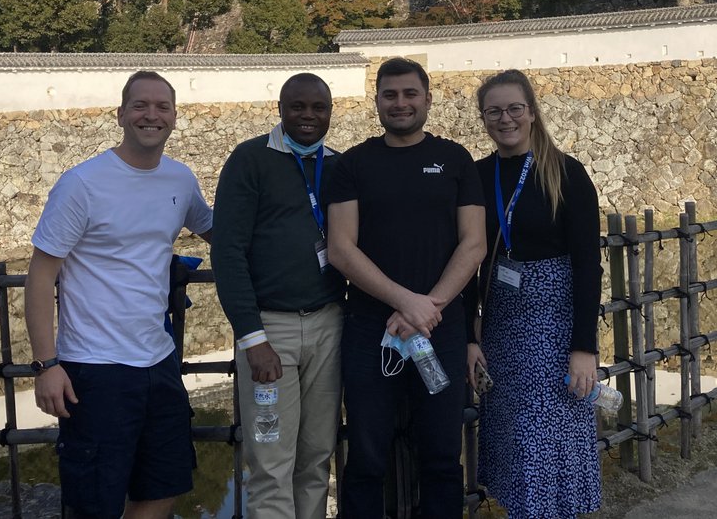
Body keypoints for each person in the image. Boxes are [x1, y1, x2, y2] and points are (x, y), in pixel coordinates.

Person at [24, 71, 214, 519]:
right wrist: (46, 365)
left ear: (174, 117)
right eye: (140, 106)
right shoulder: (83, 184)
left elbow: (217, 232)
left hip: (157, 358)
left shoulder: (179, 180)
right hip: (95, 366)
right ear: (121, 115)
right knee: (95, 499)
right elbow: (40, 276)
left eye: (162, 107)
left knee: (165, 485)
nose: (151, 115)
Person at [328, 56, 486, 519]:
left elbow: (473, 243)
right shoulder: (352, 164)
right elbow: (341, 249)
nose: (400, 103)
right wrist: (404, 302)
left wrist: (427, 307)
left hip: (442, 326)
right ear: (375, 100)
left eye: (410, 93)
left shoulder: (454, 159)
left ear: (428, 99)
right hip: (369, 328)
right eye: (390, 94)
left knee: (440, 455)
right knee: (366, 457)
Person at [465, 68, 604, 519]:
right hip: (503, 323)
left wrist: (584, 347)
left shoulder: (565, 172)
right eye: (494, 111)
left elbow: (588, 265)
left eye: (514, 109)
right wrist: (471, 332)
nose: (505, 119)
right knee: (511, 434)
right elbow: (468, 259)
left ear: (531, 112)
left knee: (547, 434)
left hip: (555, 322)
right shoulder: (477, 175)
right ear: (483, 118)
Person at [212, 73, 344, 519]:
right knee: (270, 465)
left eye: (318, 107)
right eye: (298, 107)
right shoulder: (250, 160)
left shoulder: (338, 165)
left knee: (316, 457)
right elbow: (228, 251)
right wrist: (252, 337)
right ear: (281, 108)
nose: (308, 116)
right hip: (271, 329)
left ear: (330, 110)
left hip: (329, 323)